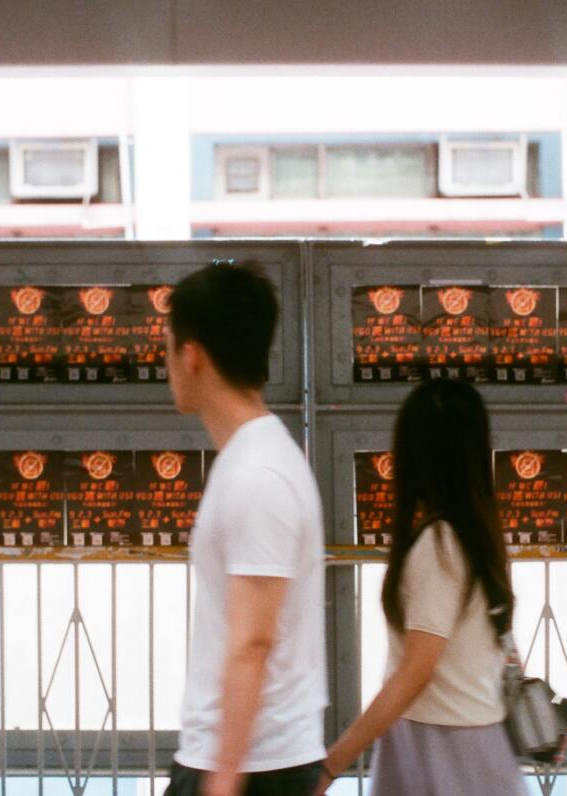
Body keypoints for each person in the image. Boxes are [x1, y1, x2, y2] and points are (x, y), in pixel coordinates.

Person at [164, 262, 328, 796]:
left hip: (253, 768)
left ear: (192, 355)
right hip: (248, 761)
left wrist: (224, 777)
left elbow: (253, 640)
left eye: (167, 347)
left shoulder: (258, 474)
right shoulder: (253, 459)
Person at [317, 378, 527, 795]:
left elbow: (414, 672)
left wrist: (330, 766)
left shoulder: (439, 545)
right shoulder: (477, 536)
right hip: (470, 741)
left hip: (441, 749)